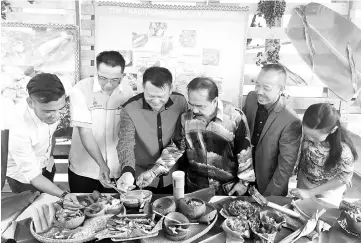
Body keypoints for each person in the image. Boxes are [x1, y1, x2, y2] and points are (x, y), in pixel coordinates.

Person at [132, 77, 255, 195]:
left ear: (214, 101)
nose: (194, 110)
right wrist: (153, 172)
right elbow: (176, 148)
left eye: (200, 106)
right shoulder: (186, 118)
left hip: (227, 187)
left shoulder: (235, 117)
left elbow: (245, 152)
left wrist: (244, 183)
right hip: (195, 187)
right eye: (191, 104)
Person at [5, 73, 81, 205]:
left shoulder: (61, 91)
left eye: (60, 109)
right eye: (48, 111)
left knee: (52, 203)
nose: (56, 116)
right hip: (23, 179)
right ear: (30, 103)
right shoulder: (17, 127)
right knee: (34, 212)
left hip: (45, 165)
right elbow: (34, 177)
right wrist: (64, 195)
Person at [68, 51, 134, 193]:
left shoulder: (128, 92)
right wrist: (102, 165)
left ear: (123, 75)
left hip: (118, 170)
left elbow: (128, 131)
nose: (108, 85)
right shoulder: (80, 90)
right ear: (96, 71)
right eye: (103, 78)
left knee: (116, 211)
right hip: (85, 169)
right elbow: (85, 131)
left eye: (115, 79)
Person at [116, 67, 188, 193]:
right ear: (143, 88)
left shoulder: (181, 102)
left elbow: (181, 139)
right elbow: (125, 143)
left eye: (161, 96)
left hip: (173, 174)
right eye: (150, 96)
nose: (155, 101)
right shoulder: (129, 108)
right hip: (141, 176)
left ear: (171, 90)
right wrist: (127, 171)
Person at [243, 64, 302, 196]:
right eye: (257, 84)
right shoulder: (251, 99)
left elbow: (285, 167)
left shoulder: (290, 120)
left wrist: (271, 198)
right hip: (244, 178)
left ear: (281, 89)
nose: (259, 91)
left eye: (266, 88)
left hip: (267, 184)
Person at [290, 103, 358, 206]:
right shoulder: (307, 134)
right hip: (305, 180)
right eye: (307, 134)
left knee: (322, 216)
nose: (310, 139)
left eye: (315, 137)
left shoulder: (344, 151)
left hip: (328, 190)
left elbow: (343, 179)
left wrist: (310, 193)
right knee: (299, 210)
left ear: (333, 130)